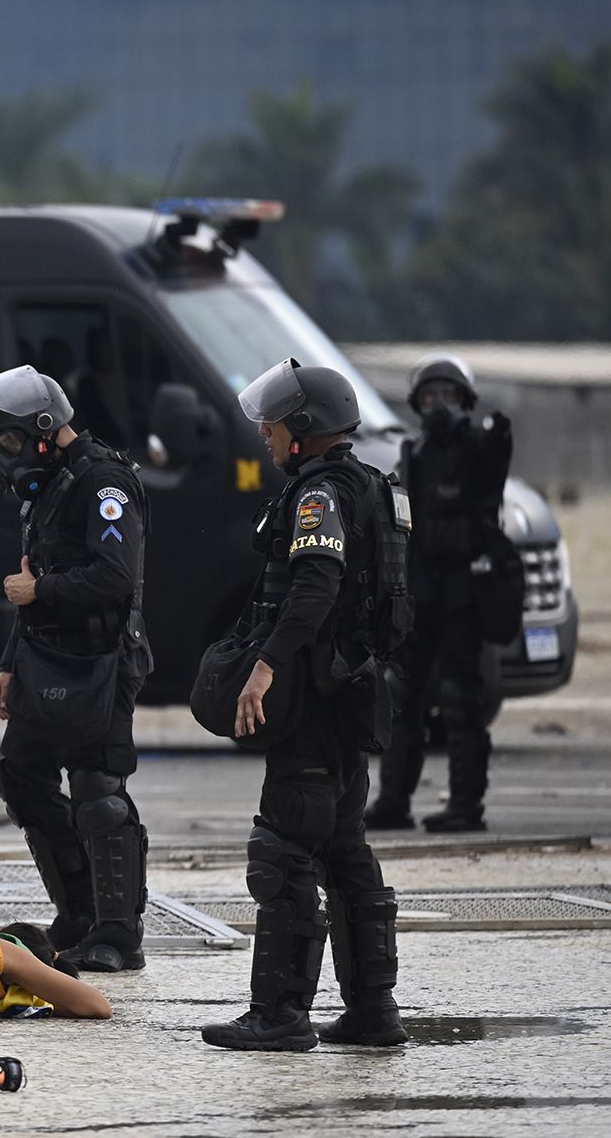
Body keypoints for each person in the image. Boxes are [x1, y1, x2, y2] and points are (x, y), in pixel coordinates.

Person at [203, 359, 408, 1051]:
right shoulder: (373, 487)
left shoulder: (319, 495)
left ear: (305, 429)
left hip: (316, 705)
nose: (264, 432)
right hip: (351, 696)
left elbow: (314, 589)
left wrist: (264, 666)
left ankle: (280, 1013)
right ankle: (374, 1011)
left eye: (274, 423)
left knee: (283, 849)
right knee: (345, 848)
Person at [0, 365, 152, 974]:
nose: (4, 455)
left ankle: (118, 933)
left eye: (11, 441)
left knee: (99, 793)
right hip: (44, 656)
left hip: (102, 660)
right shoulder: (48, 483)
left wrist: (41, 590)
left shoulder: (102, 482)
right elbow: (32, 578)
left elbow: (115, 577)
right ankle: (77, 912)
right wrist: (7, 665)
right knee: (21, 779)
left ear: (46, 432)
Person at [367, 354, 513, 834]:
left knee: (459, 700)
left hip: (465, 596)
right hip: (421, 592)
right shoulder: (417, 454)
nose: (437, 404)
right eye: (429, 396)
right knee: (402, 696)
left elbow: (498, 454)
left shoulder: (480, 447)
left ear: (464, 400)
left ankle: (466, 806)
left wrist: (483, 430)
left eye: (447, 395)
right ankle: (393, 801)